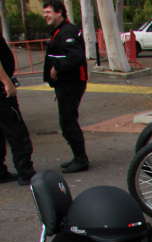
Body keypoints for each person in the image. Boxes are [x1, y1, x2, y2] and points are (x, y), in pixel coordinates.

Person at [43, 0, 89, 174]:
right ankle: (78, 156)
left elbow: (75, 57)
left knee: (68, 122)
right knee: (66, 121)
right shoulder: (59, 31)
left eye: (48, 12)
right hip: (64, 84)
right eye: (44, 12)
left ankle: (81, 159)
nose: (45, 16)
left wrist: (57, 68)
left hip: (72, 83)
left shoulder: (68, 31)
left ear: (59, 12)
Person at [0, 27, 35, 185]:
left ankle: (1, 172)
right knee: (16, 131)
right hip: (2, 92)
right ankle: (25, 172)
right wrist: (6, 82)